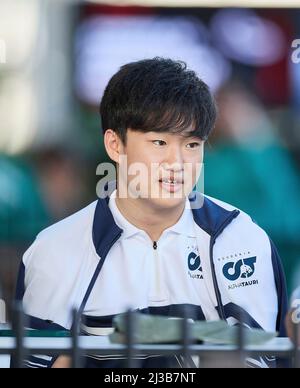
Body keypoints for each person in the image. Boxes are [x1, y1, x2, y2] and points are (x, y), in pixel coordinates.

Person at [15, 58, 287, 368]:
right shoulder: (54, 249)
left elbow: (253, 361)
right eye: (159, 142)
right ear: (115, 145)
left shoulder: (240, 239)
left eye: (192, 144)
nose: (178, 162)